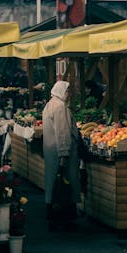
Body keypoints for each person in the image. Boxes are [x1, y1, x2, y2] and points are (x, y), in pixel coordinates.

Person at [42, 81, 81, 224]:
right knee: (67, 182)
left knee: (51, 181)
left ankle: (51, 211)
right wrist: (64, 154)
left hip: (51, 151)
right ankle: (65, 215)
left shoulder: (49, 105)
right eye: (67, 91)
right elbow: (63, 131)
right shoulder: (60, 107)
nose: (69, 94)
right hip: (61, 153)